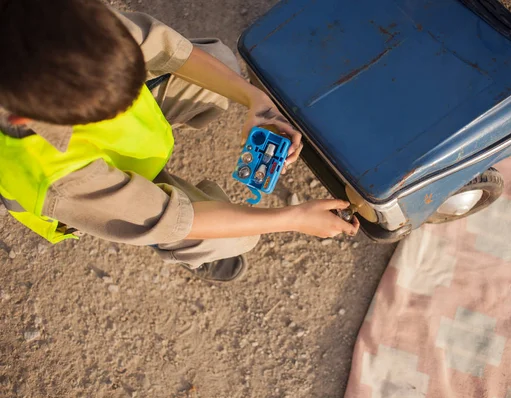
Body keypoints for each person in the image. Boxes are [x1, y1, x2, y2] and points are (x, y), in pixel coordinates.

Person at [0, 0, 359, 282]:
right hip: (96, 188)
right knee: (229, 238)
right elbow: (169, 216)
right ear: (21, 116)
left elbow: (163, 46)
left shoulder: (54, 25)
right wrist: (293, 218)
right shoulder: (54, 178)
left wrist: (255, 101)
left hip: (120, 144)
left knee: (219, 65)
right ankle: (189, 250)